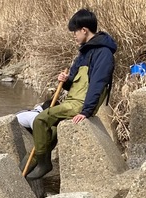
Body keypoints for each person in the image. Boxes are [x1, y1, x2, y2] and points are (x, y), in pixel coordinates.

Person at [26, 9, 116, 180]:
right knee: (50, 130)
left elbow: (97, 84)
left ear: (84, 30)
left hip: (81, 104)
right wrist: (65, 80)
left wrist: (86, 111)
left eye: (75, 31)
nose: (74, 35)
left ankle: (44, 164)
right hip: (73, 100)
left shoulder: (103, 54)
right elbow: (74, 82)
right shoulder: (84, 52)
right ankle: (27, 167)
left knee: (40, 120)